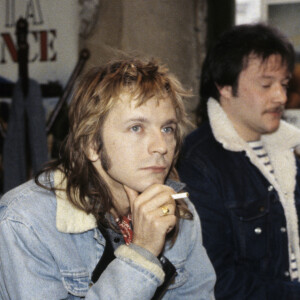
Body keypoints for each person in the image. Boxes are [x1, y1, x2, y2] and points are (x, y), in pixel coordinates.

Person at [0, 58, 216, 299]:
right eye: (136, 128)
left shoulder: (175, 209)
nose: (161, 147)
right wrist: (141, 254)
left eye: (167, 129)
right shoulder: (25, 222)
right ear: (92, 144)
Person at [177, 23, 300, 299]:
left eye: (284, 84)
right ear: (224, 85)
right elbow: (216, 279)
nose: (281, 96)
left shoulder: (284, 149)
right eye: (266, 84)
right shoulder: (198, 164)